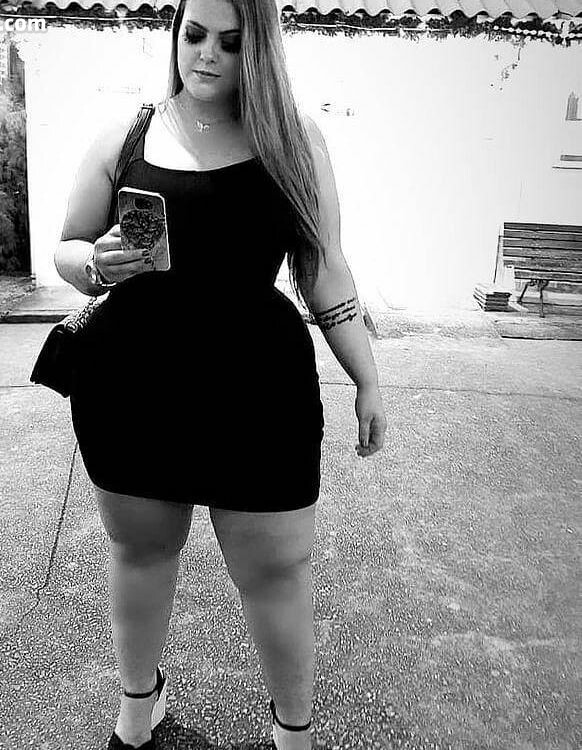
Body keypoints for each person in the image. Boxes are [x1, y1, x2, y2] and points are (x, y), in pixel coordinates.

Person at [53, 0, 387, 747]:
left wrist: (367, 377)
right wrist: (94, 264)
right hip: (133, 384)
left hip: (258, 390)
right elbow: (69, 246)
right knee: (140, 553)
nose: (206, 54)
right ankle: (137, 709)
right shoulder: (127, 134)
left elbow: (324, 269)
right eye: (194, 35)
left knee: (277, 572)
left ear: (258, 49)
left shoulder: (294, 140)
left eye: (231, 43)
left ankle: (293, 734)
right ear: (175, 33)